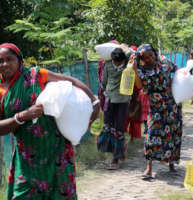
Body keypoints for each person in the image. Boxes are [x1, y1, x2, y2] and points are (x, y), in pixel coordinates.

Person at [0, 43, 100, 199]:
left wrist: (94, 102)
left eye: (9, 59)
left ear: (20, 61)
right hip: (27, 159)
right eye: (0, 61)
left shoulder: (36, 75)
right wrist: (22, 116)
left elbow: (70, 81)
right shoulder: (1, 90)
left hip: (57, 151)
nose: (5, 64)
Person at [131, 44, 183, 179]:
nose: (149, 58)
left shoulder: (165, 62)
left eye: (151, 55)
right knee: (151, 135)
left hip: (172, 105)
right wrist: (134, 69)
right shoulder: (141, 70)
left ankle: (171, 164)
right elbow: (139, 86)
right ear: (141, 58)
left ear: (154, 53)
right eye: (145, 57)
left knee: (172, 134)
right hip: (155, 107)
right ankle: (148, 168)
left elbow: (178, 73)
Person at [97, 47, 133, 170]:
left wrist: (123, 48)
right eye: (115, 62)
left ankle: (115, 159)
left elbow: (131, 52)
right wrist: (102, 91)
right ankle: (117, 152)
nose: (117, 64)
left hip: (123, 101)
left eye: (119, 62)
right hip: (110, 99)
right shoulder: (108, 65)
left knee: (119, 128)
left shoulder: (128, 63)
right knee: (108, 126)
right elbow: (104, 81)